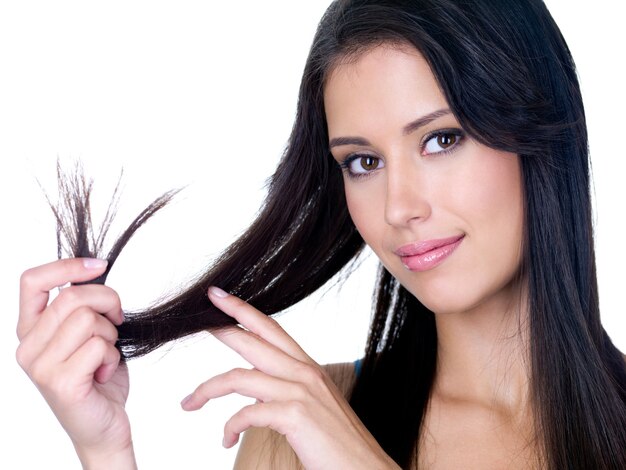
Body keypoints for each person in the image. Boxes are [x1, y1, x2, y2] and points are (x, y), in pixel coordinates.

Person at [15, 0, 626, 468]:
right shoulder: (294, 428)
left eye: (441, 139)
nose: (399, 207)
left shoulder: (328, 436)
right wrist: (105, 451)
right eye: (363, 162)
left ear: (542, 134)